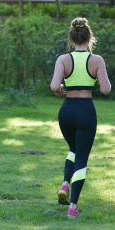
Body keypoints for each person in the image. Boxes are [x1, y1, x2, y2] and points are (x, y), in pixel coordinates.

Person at [50, 17, 111, 218]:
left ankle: (65, 184)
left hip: (66, 111)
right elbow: (105, 89)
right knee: (82, 158)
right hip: (85, 111)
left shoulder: (63, 59)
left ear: (71, 37)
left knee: (74, 149)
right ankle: (73, 207)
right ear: (89, 37)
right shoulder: (97, 60)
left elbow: (54, 86)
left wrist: (61, 90)